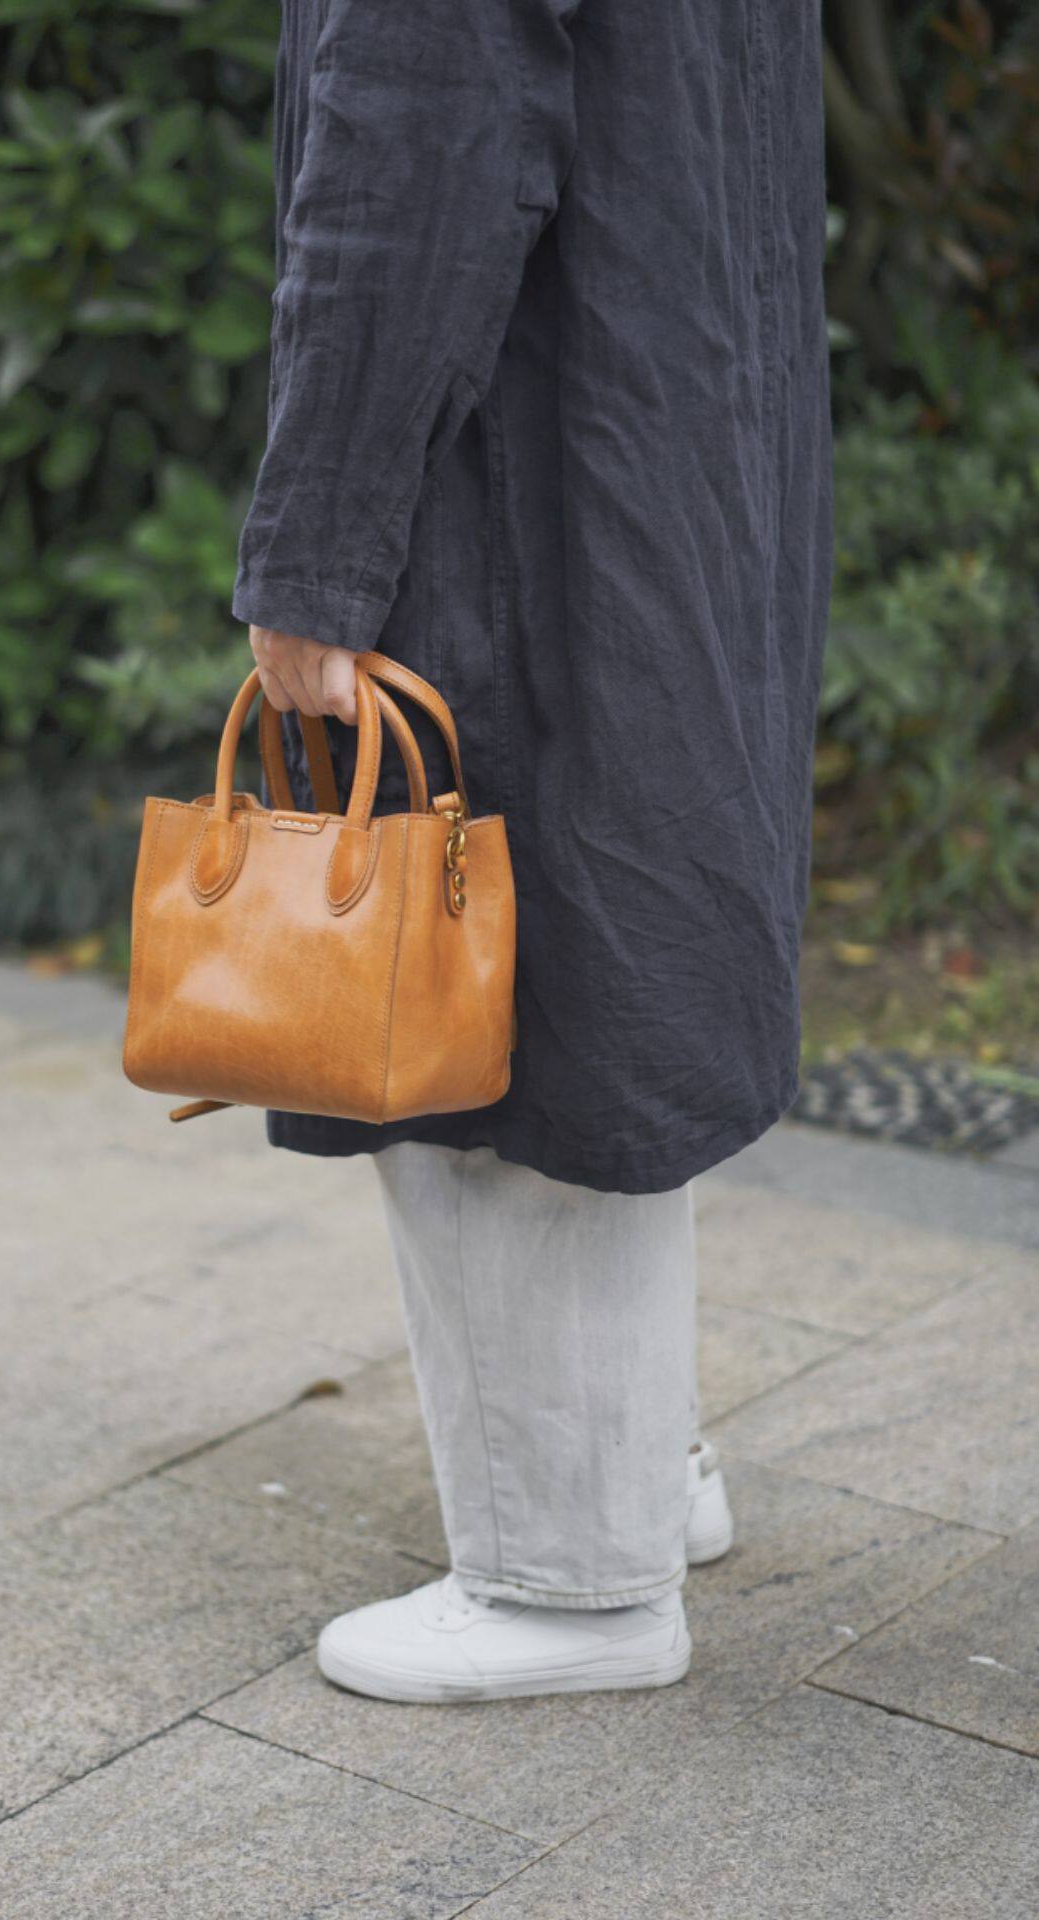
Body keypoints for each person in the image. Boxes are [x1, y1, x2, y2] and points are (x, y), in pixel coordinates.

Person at [233, 0, 832, 1702]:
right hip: (679, 419)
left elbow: (415, 145)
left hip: (534, 450)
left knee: (496, 995)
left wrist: (318, 548)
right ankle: (634, 1467)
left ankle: (572, 1582)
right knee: (611, 942)